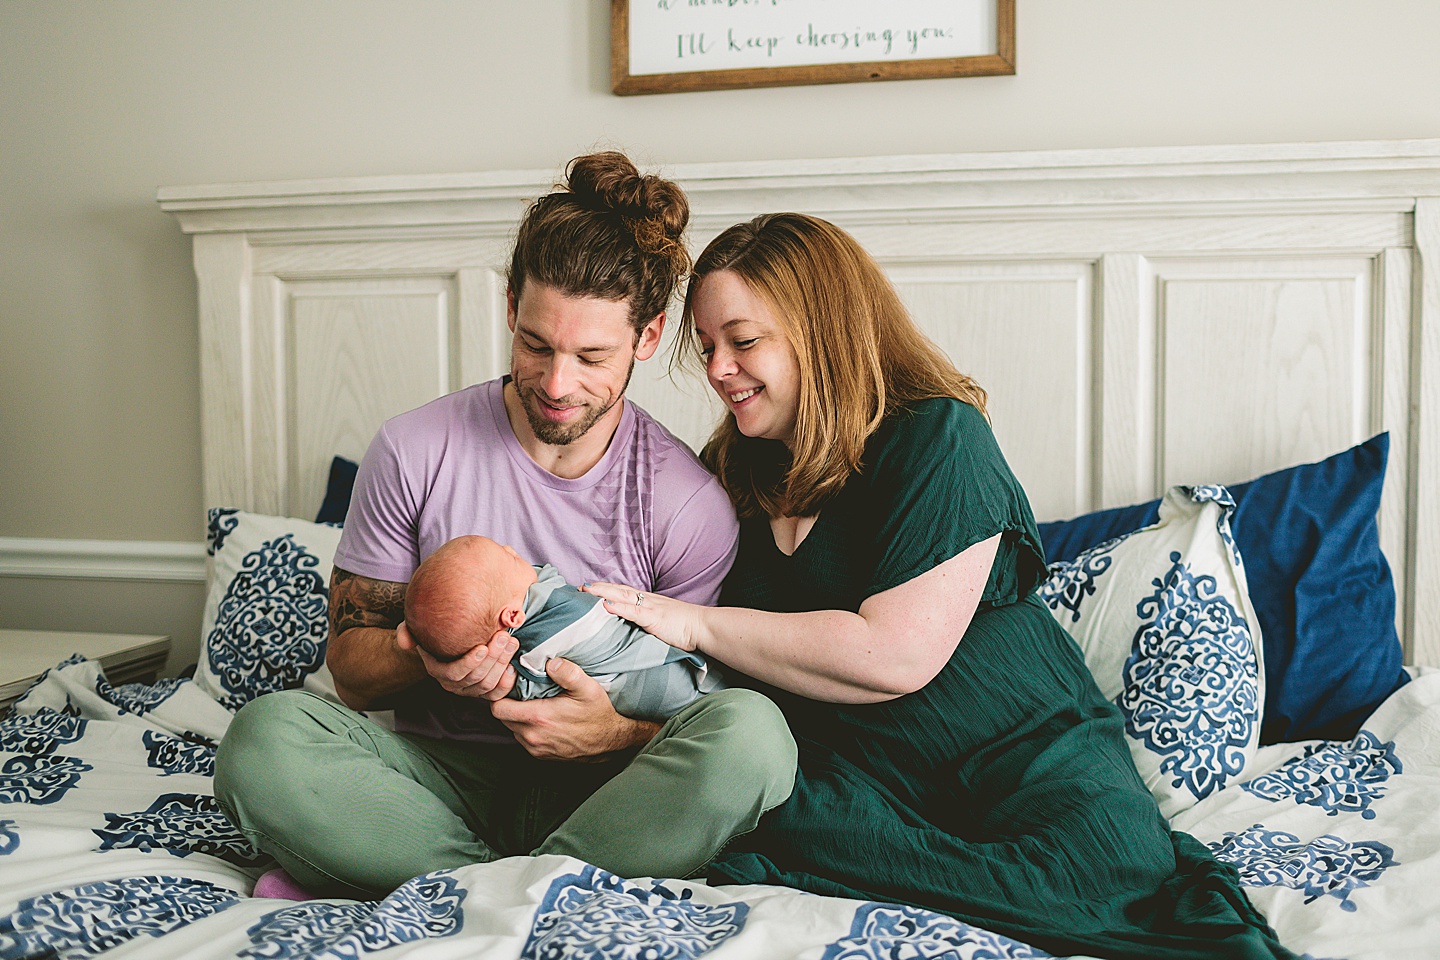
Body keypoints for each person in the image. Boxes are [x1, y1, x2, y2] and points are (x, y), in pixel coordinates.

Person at [582, 213, 1297, 960]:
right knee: (757, 811)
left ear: (819, 327)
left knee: (1096, 877)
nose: (719, 369)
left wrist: (698, 624)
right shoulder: (731, 473)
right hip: (864, 786)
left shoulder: (937, 437)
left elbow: (892, 655)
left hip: (1026, 766)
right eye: (706, 348)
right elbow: (652, 615)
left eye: (743, 340)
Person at [213, 153, 796, 901]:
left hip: (607, 794)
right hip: (433, 783)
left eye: (592, 357)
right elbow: (353, 675)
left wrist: (610, 737)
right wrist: (425, 661)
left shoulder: (686, 503)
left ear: (647, 336)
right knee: (263, 741)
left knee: (754, 736)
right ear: (511, 304)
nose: (557, 384)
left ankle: (444, 889)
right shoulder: (415, 449)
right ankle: (540, 895)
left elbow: (698, 702)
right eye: (536, 344)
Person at [405, 534, 726, 721]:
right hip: (669, 683)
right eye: (510, 560)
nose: (515, 551)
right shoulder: (548, 626)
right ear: (513, 618)